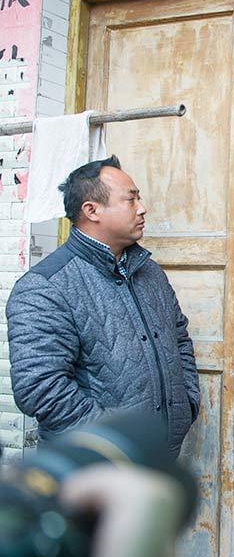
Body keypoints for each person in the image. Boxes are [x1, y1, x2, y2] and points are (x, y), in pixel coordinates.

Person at [6, 155, 200, 458]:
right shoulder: (46, 285)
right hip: (90, 471)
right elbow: (40, 387)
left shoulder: (149, 271)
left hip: (159, 457)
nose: (142, 208)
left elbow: (179, 338)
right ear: (91, 210)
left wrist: (187, 403)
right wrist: (113, 442)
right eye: (130, 200)